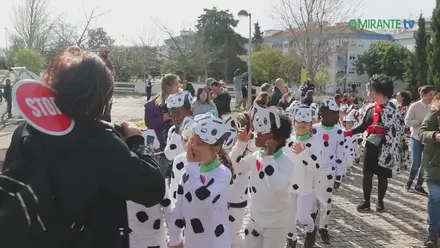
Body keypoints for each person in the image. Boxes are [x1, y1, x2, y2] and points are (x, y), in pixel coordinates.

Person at [2, 51, 166, 248]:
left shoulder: (25, 130)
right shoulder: (98, 140)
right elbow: (152, 188)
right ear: (100, 94)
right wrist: (136, 140)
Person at [168, 113, 235, 248]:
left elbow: (203, 200)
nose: (193, 147)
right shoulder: (188, 174)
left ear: (216, 148)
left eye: (200, 143)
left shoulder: (222, 174)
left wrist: (192, 167)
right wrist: (174, 239)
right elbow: (178, 208)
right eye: (192, 141)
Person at [230, 105, 293, 248]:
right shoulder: (256, 155)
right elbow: (234, 166)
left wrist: (269, 158)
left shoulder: (286, 162)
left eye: (263, 129)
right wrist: (240, 144)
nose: (257, 132)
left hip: (276, 223)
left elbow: (277, 187)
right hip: (255, 219)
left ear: (277, 138)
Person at [344, 74, 404, 212]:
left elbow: (399, 131)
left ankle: (380, 201)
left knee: (382, 175)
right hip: (370, 146)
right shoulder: (370, 109)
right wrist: (347, 133)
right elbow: (362, 126)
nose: (369, 93)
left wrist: (386, 137)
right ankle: (366, 201)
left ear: (380, 92)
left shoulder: (393, 110)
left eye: (372, 90)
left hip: (386, 148)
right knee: (367, 174)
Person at [284, 104, 319, 248]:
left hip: (306, 186)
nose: (302, 124)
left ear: (311, 123)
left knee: (303, 217)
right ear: (294, 122)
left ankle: (311, 229)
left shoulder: (315, 142)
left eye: (305, 121)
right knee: (289, 218)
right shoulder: (287, 141)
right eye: (299, 121)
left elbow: (316, 167)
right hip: (289, 186)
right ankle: (291, 240)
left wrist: (302, 153)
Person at [405, 85, 436, 194]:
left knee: (425, 164)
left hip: (429, 140)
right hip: (416, 138)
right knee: (416, 163)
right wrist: (419, 122)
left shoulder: (435, 107)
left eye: (433, 95)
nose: (432, 97)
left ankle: (419, 185)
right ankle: (410, 180)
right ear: (422, 94)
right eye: (429, 95)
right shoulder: (415, 106)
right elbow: (407, 122)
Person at [419, 93, 440, 248]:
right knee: (436, 196)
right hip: (434, 164)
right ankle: (433, 234)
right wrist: (435, 135)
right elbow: (422, 133)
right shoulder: (434, 113)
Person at [395, 91, 412, 170]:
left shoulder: (408, 107)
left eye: (398, 96)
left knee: (404, 146)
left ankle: (405, 164)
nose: (396, 97)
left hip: (404, 130)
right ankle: (398, 162)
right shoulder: (398, 106)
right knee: (398, 146)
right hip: (396, 130)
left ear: (403, 97)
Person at [99, 45, 115, 122]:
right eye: (106, 52)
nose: (107, 54)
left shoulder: (108, 61)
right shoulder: (96, 61)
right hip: (100, 91)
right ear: (100, 52)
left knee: (108, 109)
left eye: (108, 52)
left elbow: (112, 73)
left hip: (109, 90)